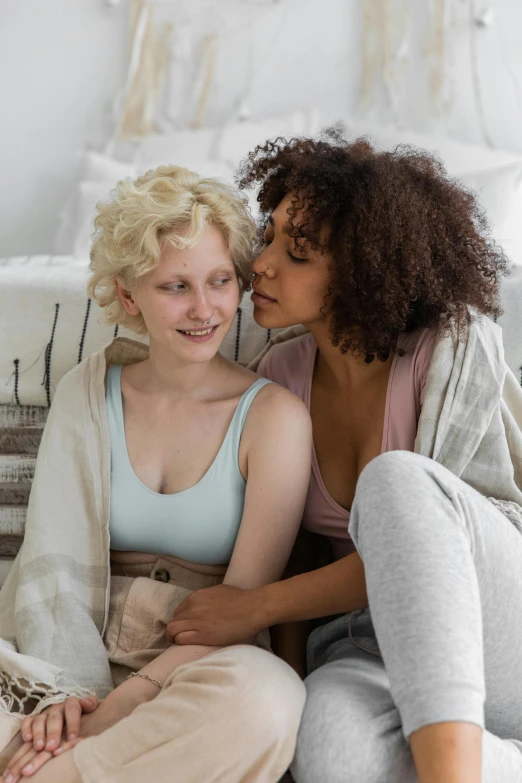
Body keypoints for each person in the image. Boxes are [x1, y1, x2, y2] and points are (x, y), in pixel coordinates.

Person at [165, 132, 522, 783]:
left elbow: (422, 554)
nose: (261, 265)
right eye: (268, 237)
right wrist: (288, 676)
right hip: (367, 648)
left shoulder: (452, 347)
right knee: (326, 748)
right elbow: (294, 545)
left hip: (498, 627)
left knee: (395, 483)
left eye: (296, 253)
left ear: (364, 269)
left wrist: (256, 605)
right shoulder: (278, 376)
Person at [0, 165, 312, 783]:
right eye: (176, 286)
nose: (205, 309)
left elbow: (240, 609)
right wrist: (64, 696)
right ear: (128, 294)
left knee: (267, 699)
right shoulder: (86, 391)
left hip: (197, 660)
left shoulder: (274, 417)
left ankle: (57, 773)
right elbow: (52, 566)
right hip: (67, 646)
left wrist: (120, 706)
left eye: (221, 281)